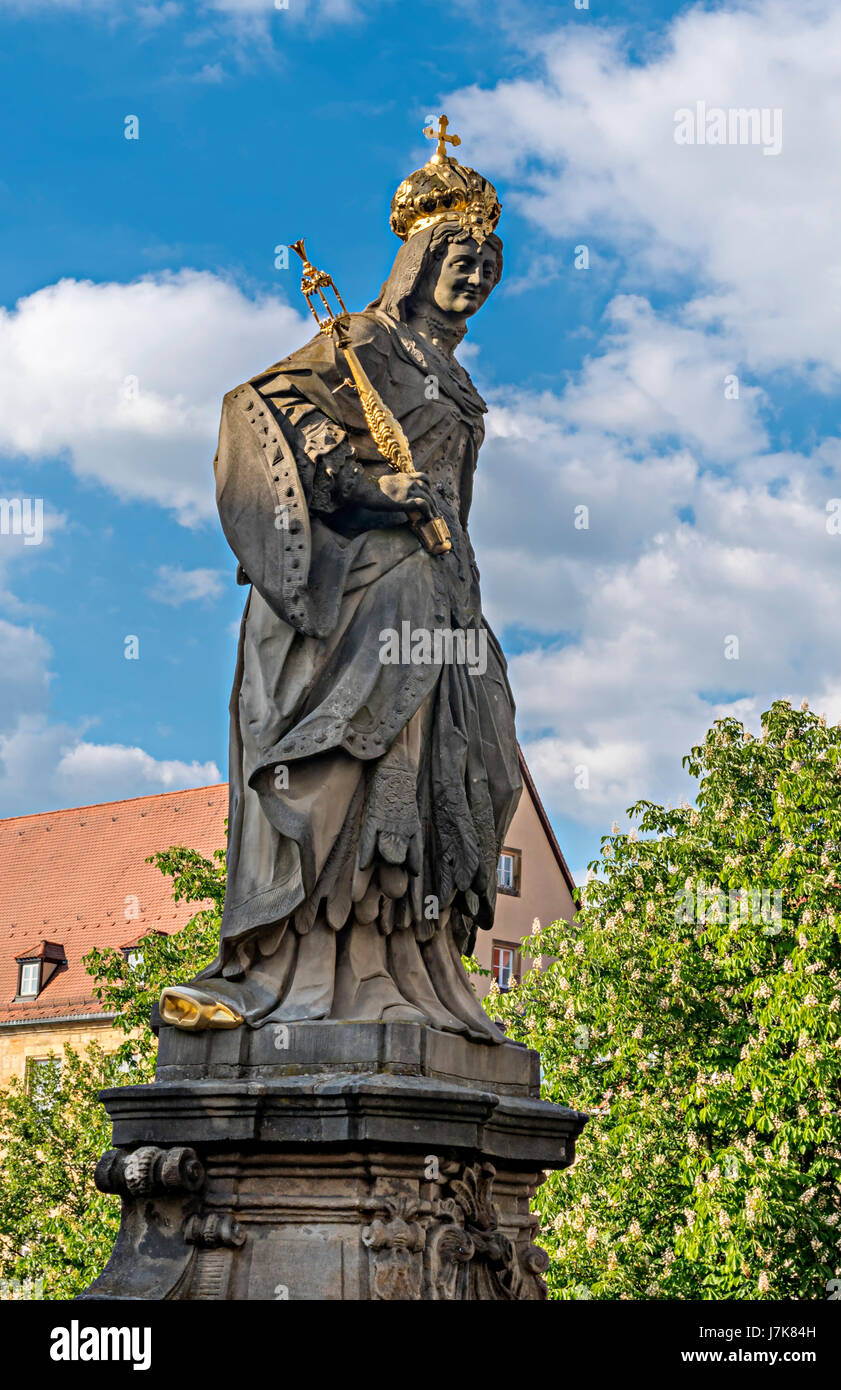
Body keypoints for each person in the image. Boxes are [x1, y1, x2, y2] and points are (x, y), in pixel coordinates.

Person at [160, 120, 522, 1043]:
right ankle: (306, 973)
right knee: (354, 768)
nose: (475, 277)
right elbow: (271, 420)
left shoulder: (456, 379)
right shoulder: (357, 341)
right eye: (459, 258)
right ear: (417, 258)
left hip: (443, 594)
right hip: (362, 594)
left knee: (475, 764)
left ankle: (416, 972)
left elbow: (460, 502)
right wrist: (372, 488)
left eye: (489, 265)